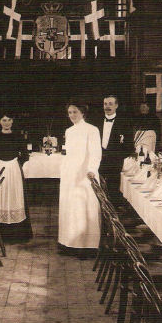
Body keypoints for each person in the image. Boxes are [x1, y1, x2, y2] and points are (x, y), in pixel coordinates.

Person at [58, 101, 102, 257]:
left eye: (75, 112)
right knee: (70, 208)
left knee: (83, 208)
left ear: (83, 113)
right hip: (70, 174)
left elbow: (95, 152)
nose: (72, 115)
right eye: (70, 112)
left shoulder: (92, 129)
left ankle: (87, 246)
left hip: (84, 174)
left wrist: (91, 169)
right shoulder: (69, 131)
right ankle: (69, 243)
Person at [0, 110, 32, 242]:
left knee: (15, 196)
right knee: (1, 197)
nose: (7, 123)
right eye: (4, 120)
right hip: (1, 169)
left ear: (12, 121)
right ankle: (1, 233)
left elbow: (25, 155)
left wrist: (15, 164)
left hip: (14, 170)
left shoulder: (18, 136)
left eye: (9, 120)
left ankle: (17, 233)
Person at [97, 94, 133, 204]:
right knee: (98, 190)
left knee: (113, 191)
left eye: (110, 104)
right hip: (98, 161)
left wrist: (117, 156)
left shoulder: (124, 122)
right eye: (105, 104)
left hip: (115, 163)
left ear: (116, 106)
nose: (107, 106)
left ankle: (112, 212)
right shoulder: (96, 121)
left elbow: (129, 146)